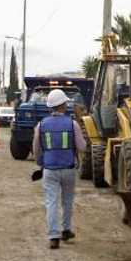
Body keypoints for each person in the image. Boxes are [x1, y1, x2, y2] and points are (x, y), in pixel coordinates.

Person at [32, 88, 86, 249]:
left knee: (51, 202)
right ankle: (66, 230)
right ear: (63, 104)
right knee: (67, 201)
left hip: (50, 170)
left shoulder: (41, 125)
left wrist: (42, 162)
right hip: (69, 169)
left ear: (50, 106)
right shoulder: (72, 124)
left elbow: (36, 149)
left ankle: (53, 236)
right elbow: (82, 147)